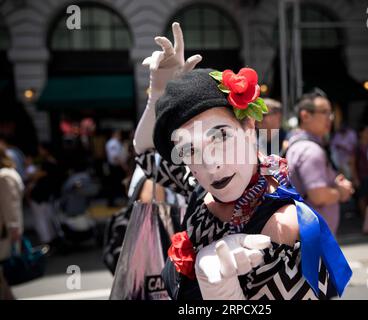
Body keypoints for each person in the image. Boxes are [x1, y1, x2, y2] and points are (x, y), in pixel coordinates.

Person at [132, 22, 351, 300]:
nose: (211, 166)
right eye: (189, 150)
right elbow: (145, 156)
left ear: (248, 126)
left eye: (220, 137)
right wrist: (158, 95)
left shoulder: (283, 228)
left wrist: (221, 292)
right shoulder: (200, 188)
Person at [286, 91, 354, 235]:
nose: (330, 118)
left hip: (308, 233)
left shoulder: (298, 143)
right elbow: (319, 196)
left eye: (331, 113)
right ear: (305, 116)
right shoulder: (310, 150)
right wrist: (342, 192)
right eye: (324, 112)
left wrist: (333, 182)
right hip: (315, 238)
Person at [0, 145, 24, 299]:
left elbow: (10, 204)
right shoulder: (8, 173)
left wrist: (14, 227)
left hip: (3, 231)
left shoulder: (4, 176)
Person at [105, 130, 127, 206]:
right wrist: (123, 165)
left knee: (116, 184)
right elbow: (115, 157)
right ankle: (111, 202)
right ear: (114, 134)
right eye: (118, 134)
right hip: (115, 167)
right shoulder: (113, 143)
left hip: (117, 166)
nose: (120, 135)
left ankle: (114, 201)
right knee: (114, 185)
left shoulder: (116, 142)